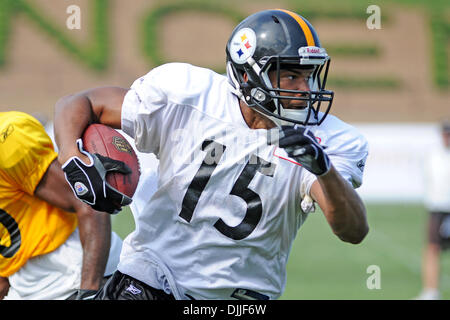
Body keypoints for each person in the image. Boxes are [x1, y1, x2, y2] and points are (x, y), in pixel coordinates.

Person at [53, 9, 369, 300]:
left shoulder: (327, 138)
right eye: (291, 76)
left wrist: (324, 170)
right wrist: (72, 158)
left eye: (309, 75)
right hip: (154, 277)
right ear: (248, 76)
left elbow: (352, 230)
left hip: (241, 298)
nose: (305, 89)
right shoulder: (189, 95)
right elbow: (80, 104)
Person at [0, 111, 123, 300]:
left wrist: (89, 291)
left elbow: (88, 202)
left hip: (77, 275)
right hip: (28, 288)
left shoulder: (7, 139)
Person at [415, 121, 450, 300]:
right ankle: (431, 290)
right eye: (445, 134)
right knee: (432, 248)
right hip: (437, 207)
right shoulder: (432, 154)